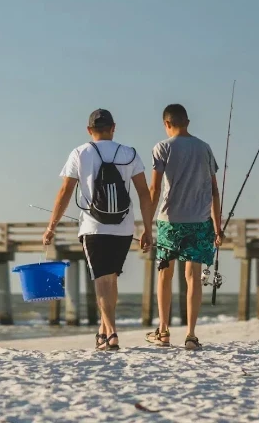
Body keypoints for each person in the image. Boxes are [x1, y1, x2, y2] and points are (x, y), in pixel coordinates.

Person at [42, 108, 153, 351]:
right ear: (113, 128)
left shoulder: (80, 153)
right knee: (110, 278)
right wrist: (147, 229)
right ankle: (103, 331)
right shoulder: (129, 153)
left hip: (94, 227)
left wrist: (51, 226)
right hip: (124, 227)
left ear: (89, 130)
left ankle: (111, 333)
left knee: (101, 279)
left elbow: (65, 192)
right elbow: (145, 194)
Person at [145, 104, 223, 350]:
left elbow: (155, 189)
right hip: (200, 221)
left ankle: (164, 331)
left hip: (169, 221)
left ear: (166, 124)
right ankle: (190, 334)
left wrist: (147, 224)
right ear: (187, 121)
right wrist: (218, 228)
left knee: (164, 275)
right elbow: (214, 190)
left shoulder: (162, 147)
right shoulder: (204, 148)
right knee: (193, 278)